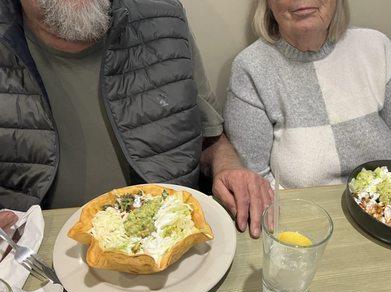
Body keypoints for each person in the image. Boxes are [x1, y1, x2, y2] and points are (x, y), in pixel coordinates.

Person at [0, 0, 271, 238]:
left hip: (173, 243)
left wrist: (228, 167)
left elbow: (209, 139)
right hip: (34, 261)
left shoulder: (166, 21)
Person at [224, 0, 391, 188]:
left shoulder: (377, 46)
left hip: (389, 213)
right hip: (301, 219)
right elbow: (256, 178)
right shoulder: (250, 67)